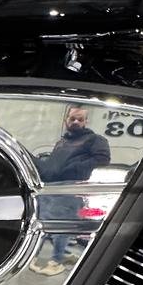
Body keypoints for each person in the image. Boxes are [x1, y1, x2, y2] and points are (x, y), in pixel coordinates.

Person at [32, 105, 111, 275]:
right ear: (65, 120)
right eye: (72, 118)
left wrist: (75, 168)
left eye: (80, 119)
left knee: (61, 224)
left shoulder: (94, 139)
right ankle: (63, 254)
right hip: (52, 186)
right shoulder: (62, 142)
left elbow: (103, 158)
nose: (75, 121)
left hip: (70, 186)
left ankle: (57, 262)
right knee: (45, 221)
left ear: (85, 121)